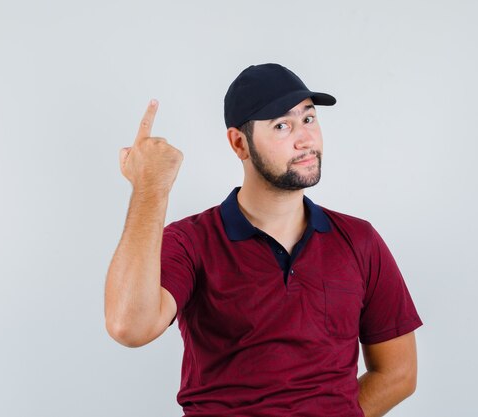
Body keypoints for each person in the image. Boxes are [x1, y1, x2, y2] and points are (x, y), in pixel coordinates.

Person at [105, 63, 423, 417]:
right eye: (282, 126)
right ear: (239, 143)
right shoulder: (190, 241)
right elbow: (128, 327)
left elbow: (399, 373)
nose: (305, 139)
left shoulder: (359, 240)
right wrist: (151, 187)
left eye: (309, 119)